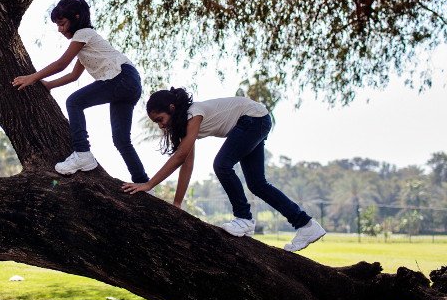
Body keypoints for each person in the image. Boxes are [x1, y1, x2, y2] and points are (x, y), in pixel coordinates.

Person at [122, 87, 325, 252]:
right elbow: (187, 163)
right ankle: (306, 225)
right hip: (258, 119)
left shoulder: (194, 113)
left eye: (160, 119)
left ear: (172, 108)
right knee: (257, 184)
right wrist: (177, 203)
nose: (160, 126)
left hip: (252, 118)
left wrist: (148, 184)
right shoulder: (187, 125)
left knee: (221, 165)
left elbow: (180, 156)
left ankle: (244, 218)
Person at [12, 0, 149, 183]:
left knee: (74, 102)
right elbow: (73, 76)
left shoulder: (84, 34)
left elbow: (62, 64)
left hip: (121, 77)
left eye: (62, 24)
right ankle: (143, 182)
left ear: (76, 18)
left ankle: (82, 152)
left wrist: (32, 77)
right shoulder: (86, 44)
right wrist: (50, 85)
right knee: (121, 140)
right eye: (57, 25)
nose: (60, 29)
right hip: (130, 83)